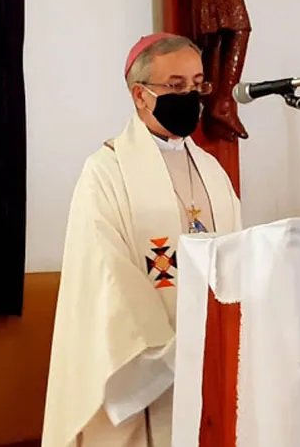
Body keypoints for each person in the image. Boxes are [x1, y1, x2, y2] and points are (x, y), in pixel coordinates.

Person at [42, 33, 242, 447]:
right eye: (176, 86)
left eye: (197, 84)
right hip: (154, 368)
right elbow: (105, 272)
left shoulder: (212, 172)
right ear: (140, 95)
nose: (190, 97)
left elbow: (239, 255)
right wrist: (169, 350)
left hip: (215, 360)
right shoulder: (106, 172)